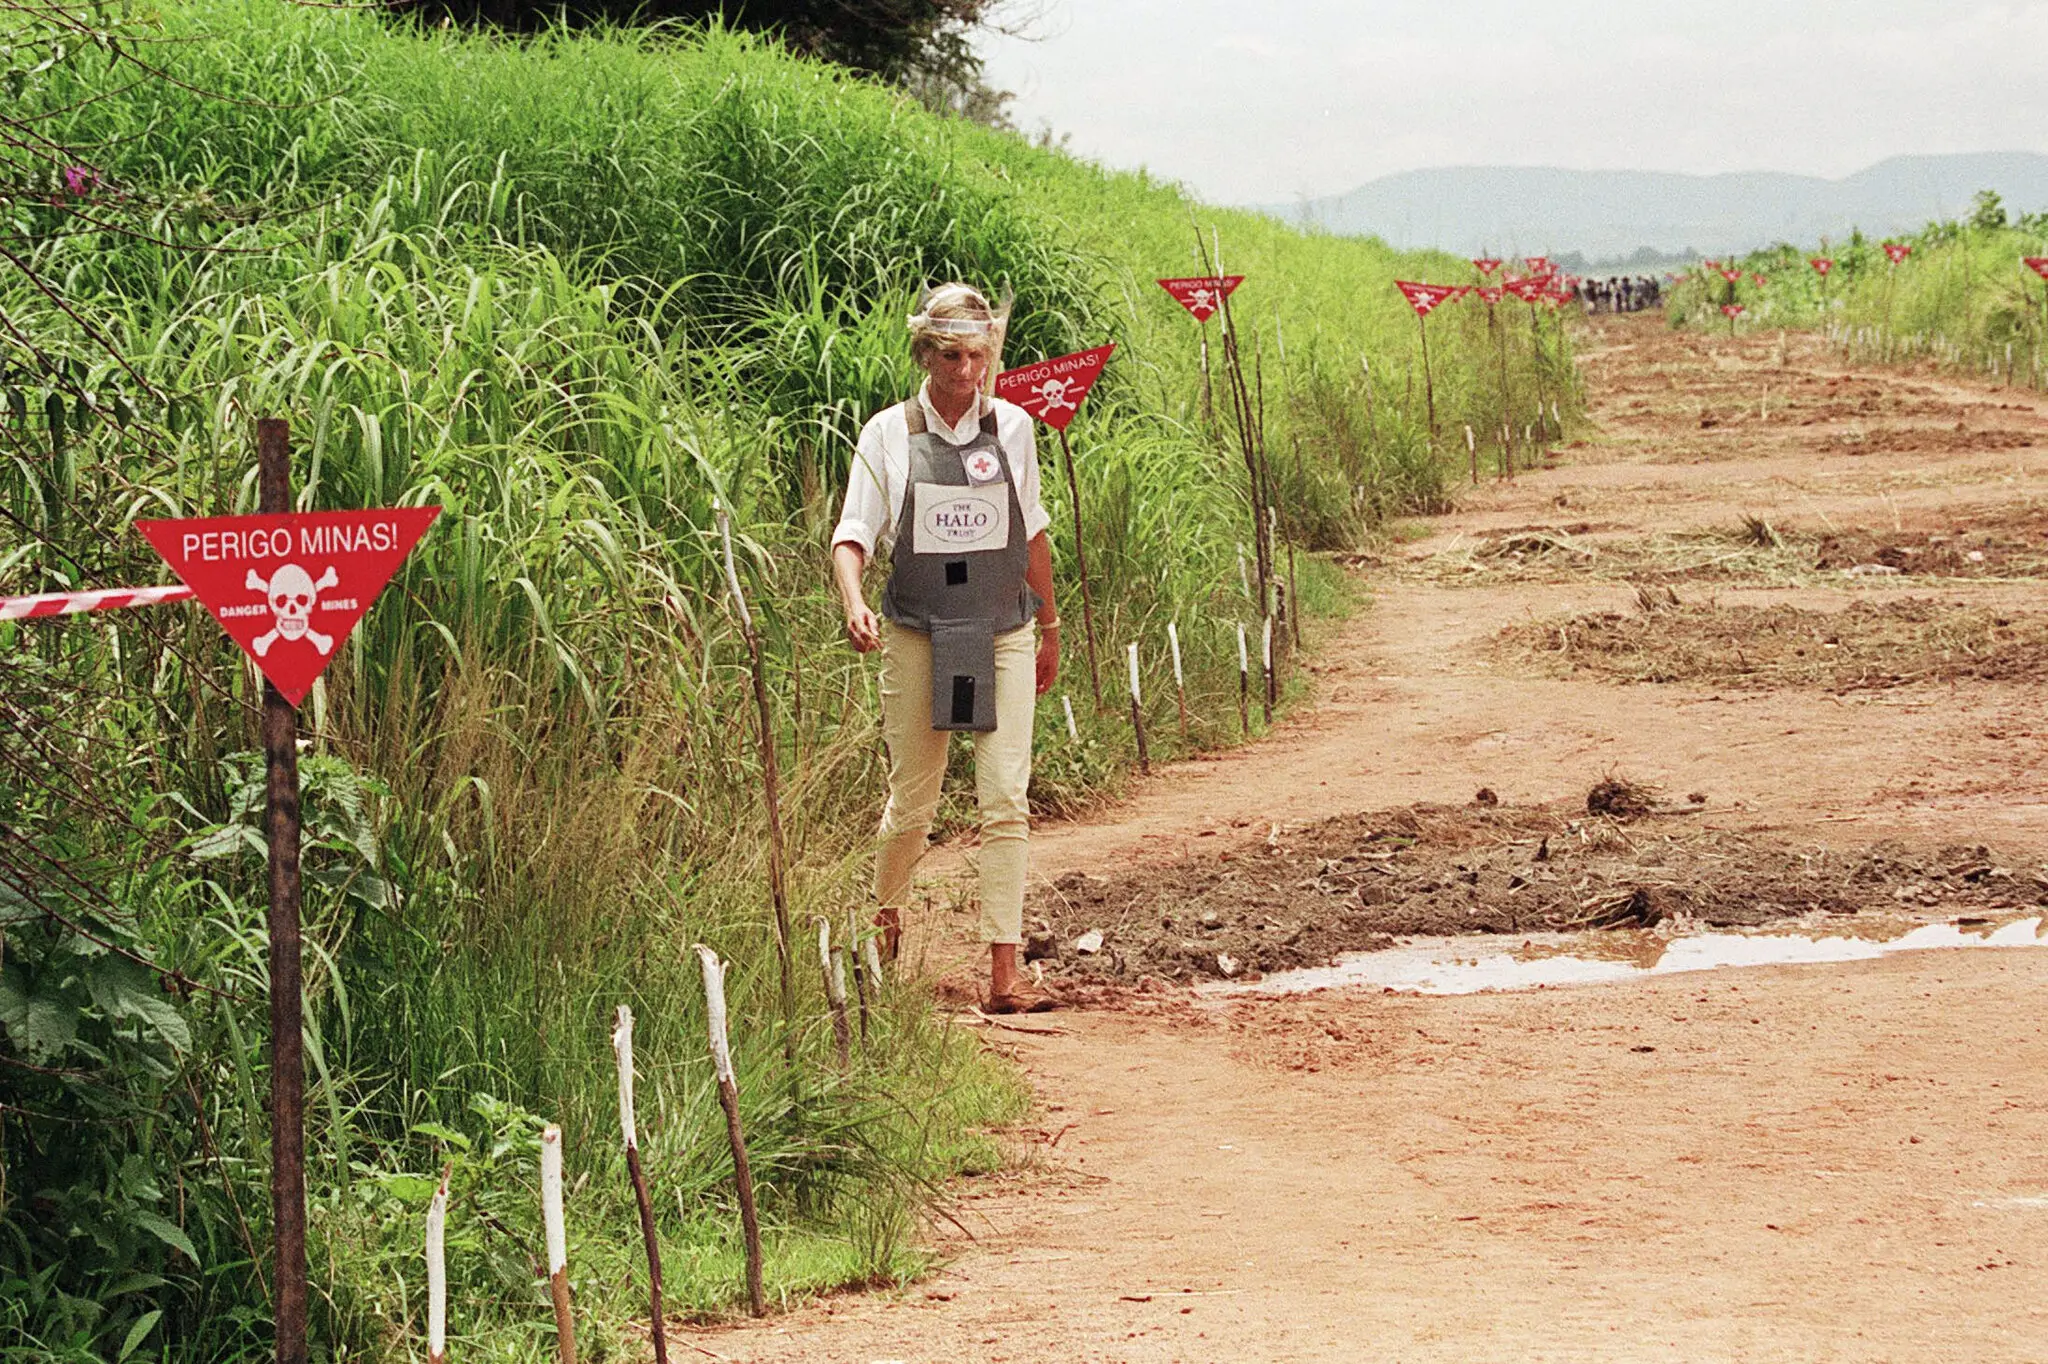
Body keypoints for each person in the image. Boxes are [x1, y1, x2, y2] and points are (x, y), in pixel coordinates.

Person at [830, 282, 1062, 1014]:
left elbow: (1031, 535)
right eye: (951, 356)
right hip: (916, 632)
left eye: (978, 355)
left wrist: (1050, 627)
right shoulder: (887, 433)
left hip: (1004, 630)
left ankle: (1004, 972)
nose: (966, 371)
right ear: (925, 353)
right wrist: (854, 601)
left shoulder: (1015, 430)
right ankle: (885, 936)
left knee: (1005, 800)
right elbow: (852, 534)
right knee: (914, 802)